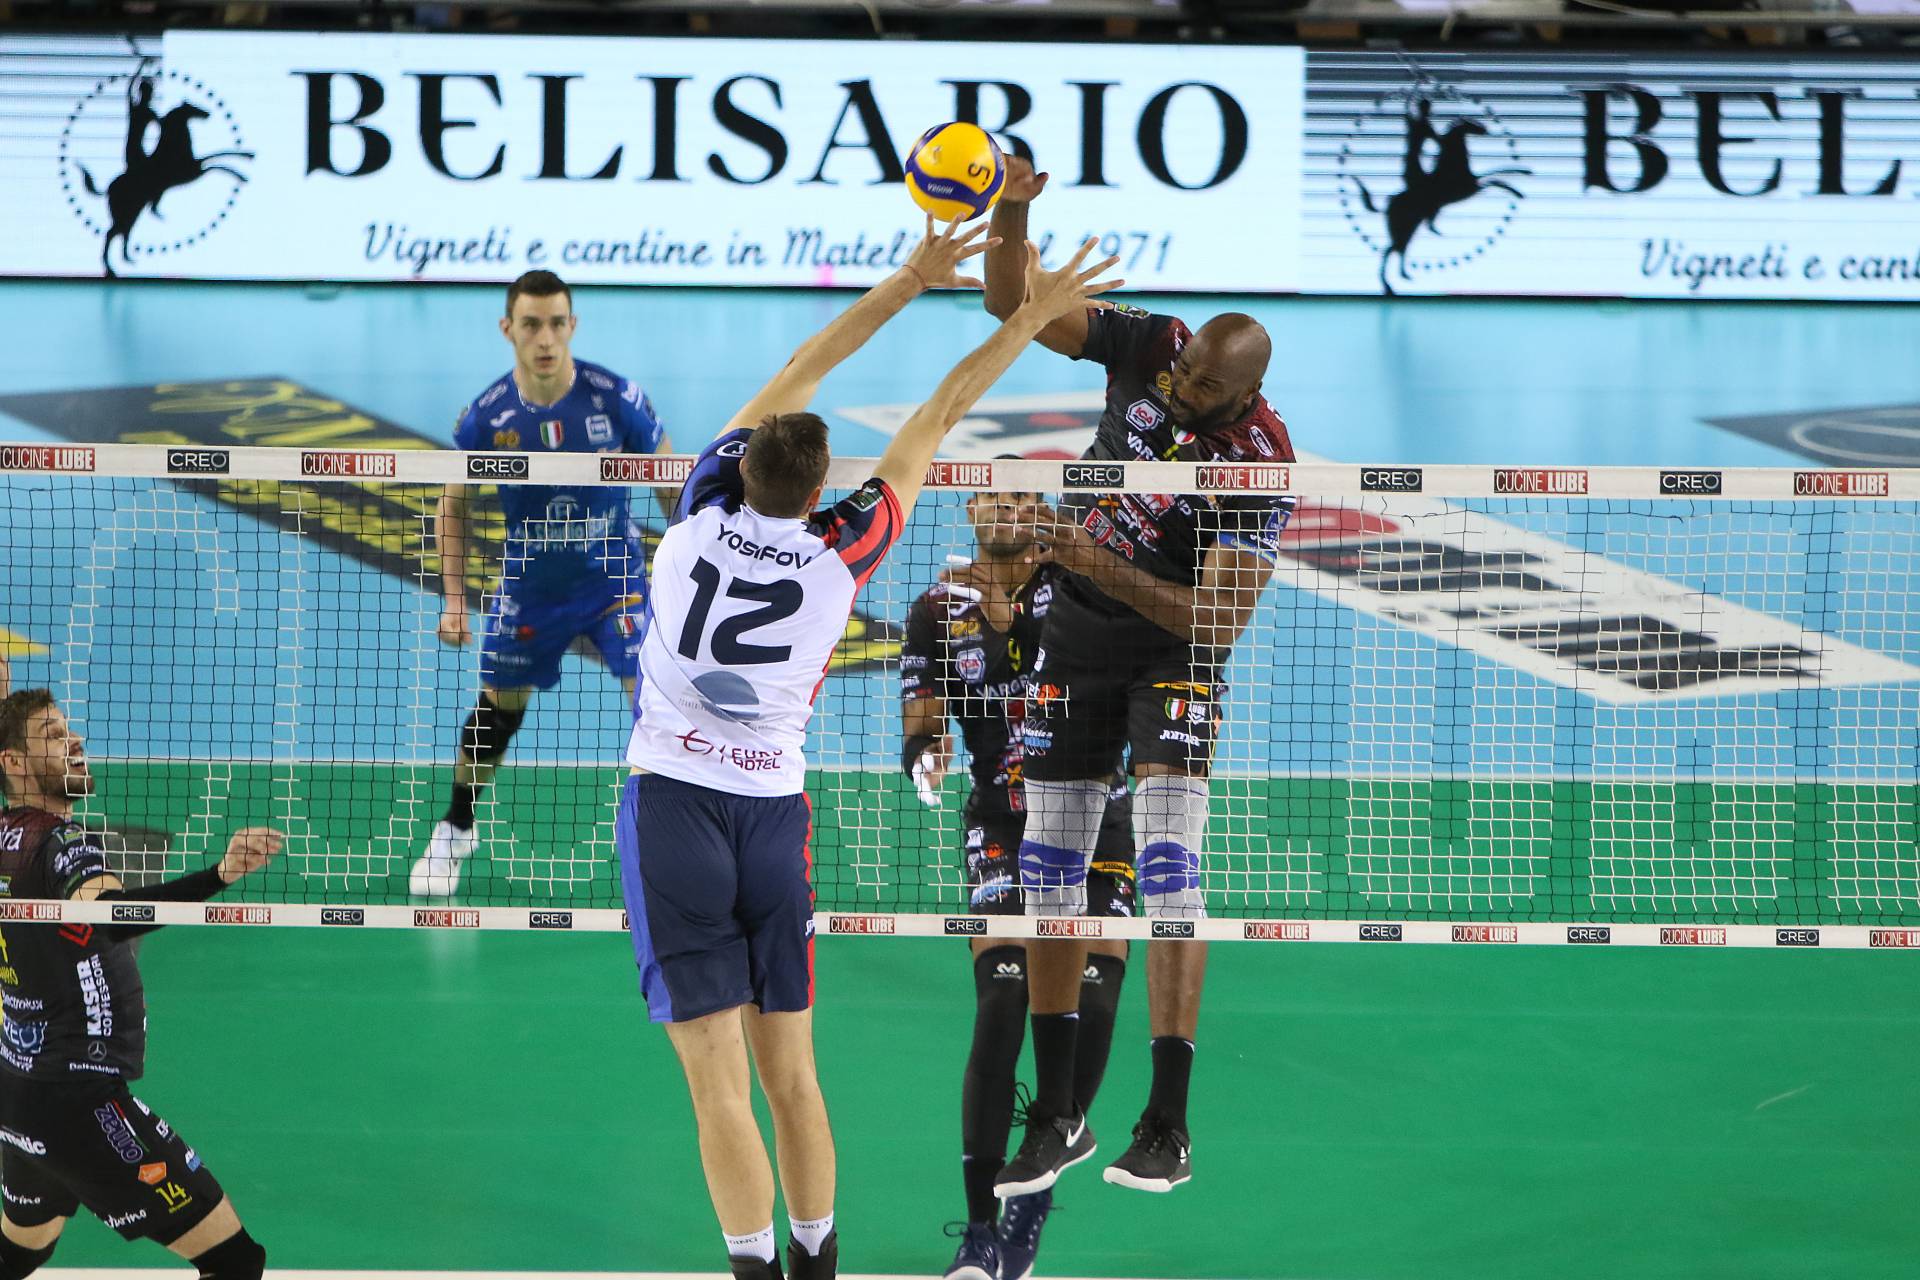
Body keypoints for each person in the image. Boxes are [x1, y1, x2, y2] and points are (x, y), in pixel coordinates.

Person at [618, 218, 1118, 1280]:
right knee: (792, 1077)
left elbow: (807, 363)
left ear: (740, 462)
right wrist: (1028, 312)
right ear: (818, 492)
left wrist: (907, 278)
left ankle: (754, 1269)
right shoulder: (843, 552)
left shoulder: (693, 512)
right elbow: (940, 409)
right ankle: (817, 1263)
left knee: (717, 1088)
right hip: (772, 822)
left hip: (670, 809)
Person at [982, 156, 1298, 1196]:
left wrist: (1090, 555)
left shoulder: (1257, 462)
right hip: (1077, 638)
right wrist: (1013, 210)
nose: (1181, 387)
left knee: (1165, 868)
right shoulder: (1155, 348)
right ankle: (1059, 1113)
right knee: (1048, 877)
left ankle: (1167, 1121)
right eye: (1185, 369)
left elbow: (1217, 623)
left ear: (1244, 394)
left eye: (1204, 385)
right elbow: (1014, 304)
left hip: (1174, 656)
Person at [901, 484, 1135, 1280]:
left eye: (1021, 497)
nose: (1004, 506)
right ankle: (977, 1232)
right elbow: (920, 720)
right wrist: (925, 754)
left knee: (1092, 997)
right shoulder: (935, 611)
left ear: (1040, 512)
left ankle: (1034, 1191)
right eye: (991, 495)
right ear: (969, 509)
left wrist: (1011, 616)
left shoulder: (1083, 589)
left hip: (1094, 814)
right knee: (1003, 1004)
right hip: (1001, 824)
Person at [0, 689, 281, 1278]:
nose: (75, 739)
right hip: (78, 1099)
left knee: (19, 1252)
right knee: (236, 1263)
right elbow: (109, 915)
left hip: (18, 1090)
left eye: (68, 729)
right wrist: (219, 875)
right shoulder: (62, 844)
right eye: (53, 734)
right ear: (13, 762)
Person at [411, 269, 673, 897]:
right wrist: (453, 600)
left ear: (572, 325)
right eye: (532, 325)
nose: (546, 338)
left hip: (616, 582)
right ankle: (457, 826)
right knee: (499, 712)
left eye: (557, 323)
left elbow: (673, 483)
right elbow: (453, 505)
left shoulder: (618, 400)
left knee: (656, 703)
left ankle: (671, 838)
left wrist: (693, 572)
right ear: (509, 329)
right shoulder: (486, 418)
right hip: (530, 588)